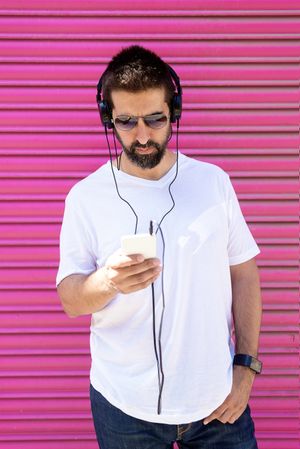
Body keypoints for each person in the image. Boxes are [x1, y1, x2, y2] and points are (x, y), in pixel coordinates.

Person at [56, 45, 262, 449]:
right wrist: (108, 281)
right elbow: (71, 300)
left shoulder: (213, 182)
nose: (143, 135)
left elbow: (244, 273)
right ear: (107, 119)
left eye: (155, 118)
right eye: (127, 121)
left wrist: (246, 367)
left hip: (218, 402)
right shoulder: (86, 197)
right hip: (124, 407)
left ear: (175, 114)